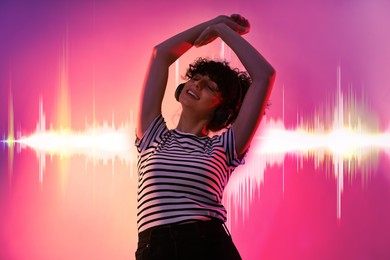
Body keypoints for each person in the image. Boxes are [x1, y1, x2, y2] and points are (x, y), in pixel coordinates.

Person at [135, 14, 275, 260]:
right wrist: (212, 24)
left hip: (209, 247)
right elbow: (161, 54)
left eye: (211, 86)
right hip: (156, 250)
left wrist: (223, 31)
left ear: (222, 110)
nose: (197, 85)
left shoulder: (225, 147)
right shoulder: (153, 135)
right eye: (196, 78)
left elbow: (264, 76)